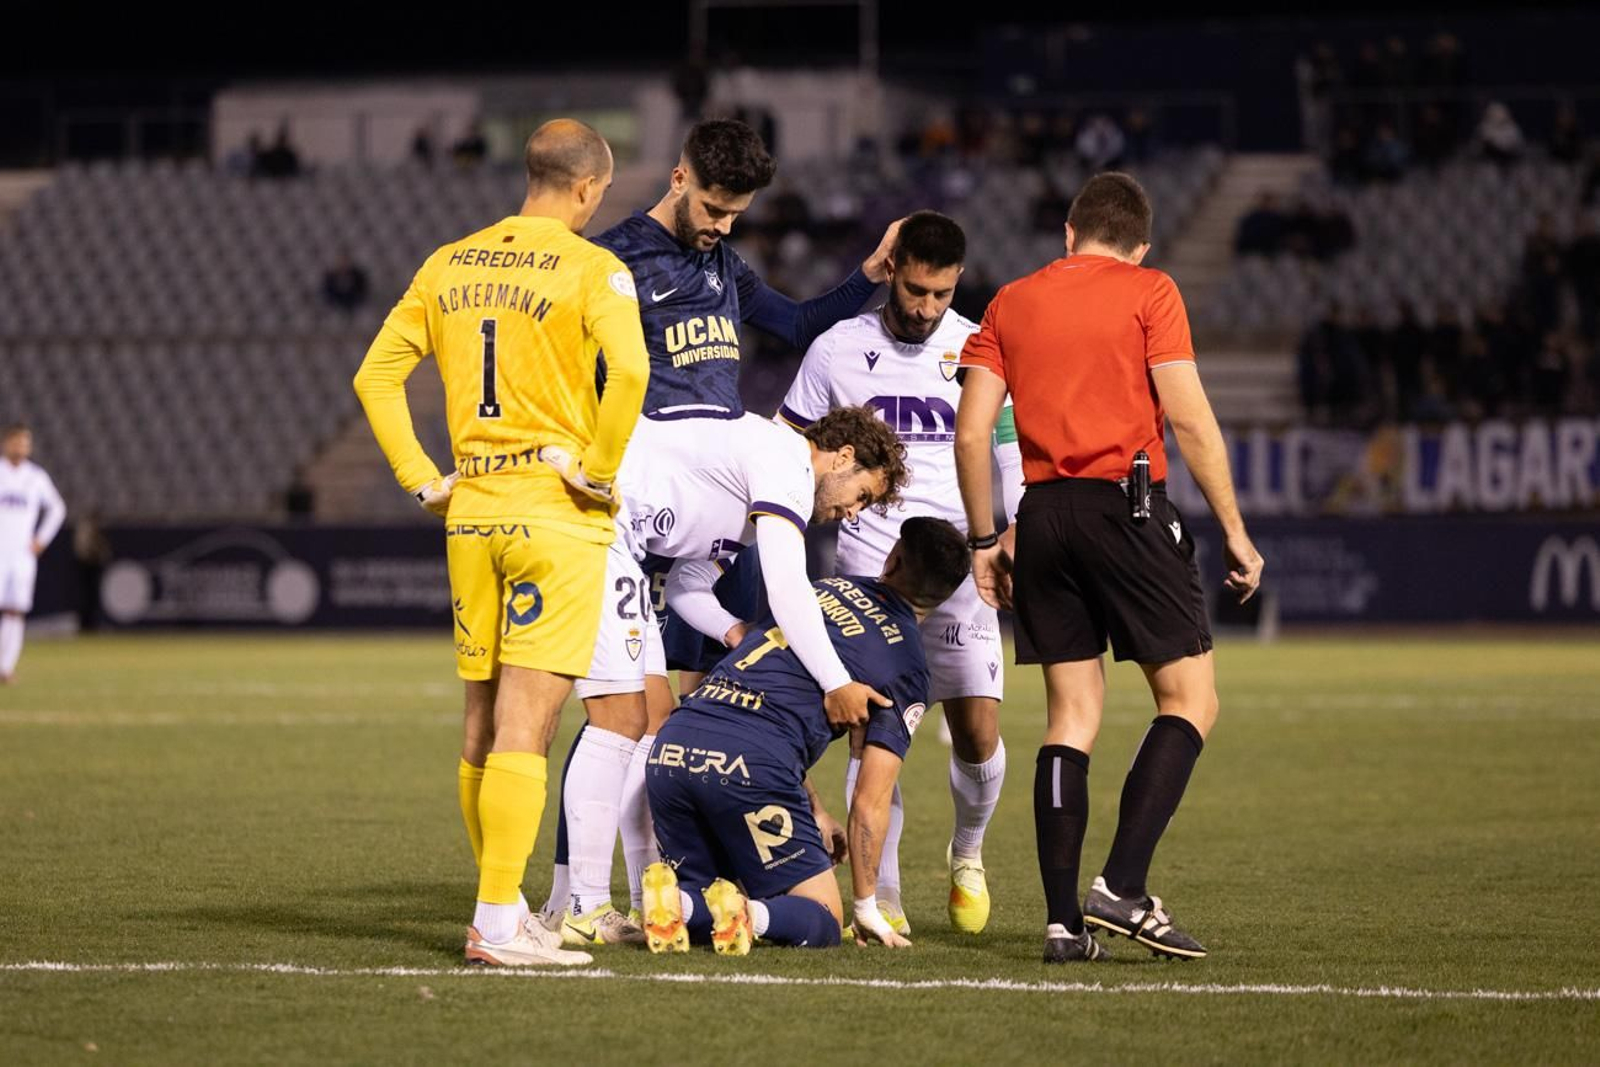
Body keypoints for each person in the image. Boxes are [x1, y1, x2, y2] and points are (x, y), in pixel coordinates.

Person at [352, 119, 649, 968]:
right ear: (589, 187)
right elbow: (629, 373)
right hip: (553, 510)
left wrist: (420, 475)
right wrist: (597, 468)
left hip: (472, 507)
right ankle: (494, 920)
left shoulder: (448, 261)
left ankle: (505, 906)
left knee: (482, 723)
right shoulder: (595, 268)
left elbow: (374, 376)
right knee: (532, 724)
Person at [954, 172, 1264, 964]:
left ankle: (1064, 923)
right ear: (1141, 244)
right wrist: (1233, 527)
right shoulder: (1150, 291)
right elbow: (1189, 416)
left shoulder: (1008, 303)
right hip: (1124, 507)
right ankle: (1122, 886)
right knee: (1191, 697)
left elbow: (971, 434)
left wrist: (987, 540)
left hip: (1043, 516)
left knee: (1071, 714)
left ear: (1068, 231)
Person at [536, 405, 909, 943]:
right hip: (592, 530)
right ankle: (582, 903)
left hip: (614, 541)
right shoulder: (787, 462)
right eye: (862, 496)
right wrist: (836, 681)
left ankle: (643, 900)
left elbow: (689, 582)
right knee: (618, 719)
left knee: (652, 717)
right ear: (843, 457)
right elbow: (787, 586)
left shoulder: (758, 491)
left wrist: (735, 632)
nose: (853, 513)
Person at [777, 211, 1024, 936]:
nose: (926, 308)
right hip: (869, 569)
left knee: (977, 731)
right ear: (895, 271)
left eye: (942, 294)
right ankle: (881, 893)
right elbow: (789, 446)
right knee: (874, 736)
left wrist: (1006, 530)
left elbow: (1006, 449)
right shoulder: (837, 349)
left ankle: (968, 852)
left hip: (959, 568)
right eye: (916, 290)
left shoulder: (977, 346)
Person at [640, 517, 972, 954]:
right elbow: (871, 801)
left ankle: (680, 903)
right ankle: (748, 913)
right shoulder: (906, 667)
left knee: (709, 896)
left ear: (892, 558)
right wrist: (867, 906)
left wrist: (812, 808)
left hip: (673, 750)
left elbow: (766, 692)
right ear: (947, 596)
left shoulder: (819, 590)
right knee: (821, 918)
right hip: (749, 770)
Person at [590, 118, 901, 424]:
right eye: (714, 209)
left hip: (720, 459)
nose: (724, 227)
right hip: (646, 462)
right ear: (679, 180)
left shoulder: (723, 262)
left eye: (736, 214)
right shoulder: (611, 257)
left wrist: (870, 273)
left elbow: (799, 326)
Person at [0, 424, 66, 684]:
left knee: (15, 610)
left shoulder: (35, 477)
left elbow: (57, 508)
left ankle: (5, 667)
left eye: (25, 442)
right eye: (17, 442)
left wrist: (41, 540)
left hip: (21, 556)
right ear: (6, 443)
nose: (21, 447)